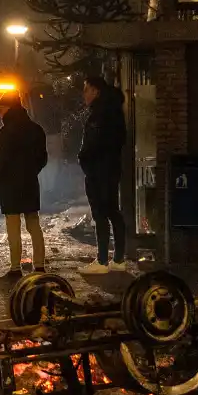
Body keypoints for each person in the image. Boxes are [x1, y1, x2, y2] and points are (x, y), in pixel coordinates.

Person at [0, 93, 48, 277]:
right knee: (33, 224)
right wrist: (31, 172)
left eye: (0, 107)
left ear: (8, 107)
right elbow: (42, 158)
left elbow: (3, 157)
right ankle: (39, 265)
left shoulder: (6, 130)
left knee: (13, 225)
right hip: (30, 181)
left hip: (10, 184)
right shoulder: (36, 129)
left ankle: (15, 267)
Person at [78, 77, 128, 274]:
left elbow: (94, 143)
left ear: (96, 91)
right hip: (110, 168)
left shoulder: (100, 114)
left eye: (87, 90)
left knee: (100, 213)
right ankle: (118, 258)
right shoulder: (114, 111)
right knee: (112, 211)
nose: (85, 95)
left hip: (99, 170)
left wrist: (84, 157)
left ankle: (102, 261)